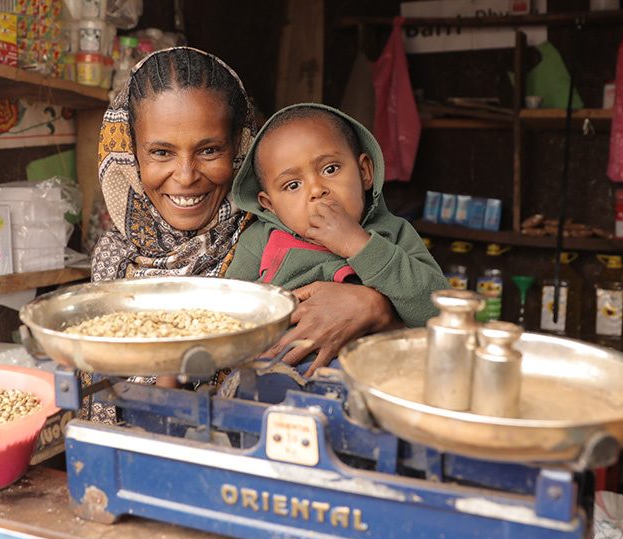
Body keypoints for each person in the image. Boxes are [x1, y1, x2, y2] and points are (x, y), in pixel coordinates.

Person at [91, 48, 402, 378]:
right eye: (161, 152)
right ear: (131, 155)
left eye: (209, 150)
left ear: (239, 146)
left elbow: (415, 336)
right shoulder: (113, 259)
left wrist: (376, 308)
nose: (185, 175)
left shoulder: (285, 228)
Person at [225, 103, 450, 329]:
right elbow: (227, 314)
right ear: (270, 205)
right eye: (293, 185)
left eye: (330, 169)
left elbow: (440, 314)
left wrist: (359, 245)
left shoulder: (394, 233)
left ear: (365, 173)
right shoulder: (260, 240)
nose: (316, 190)